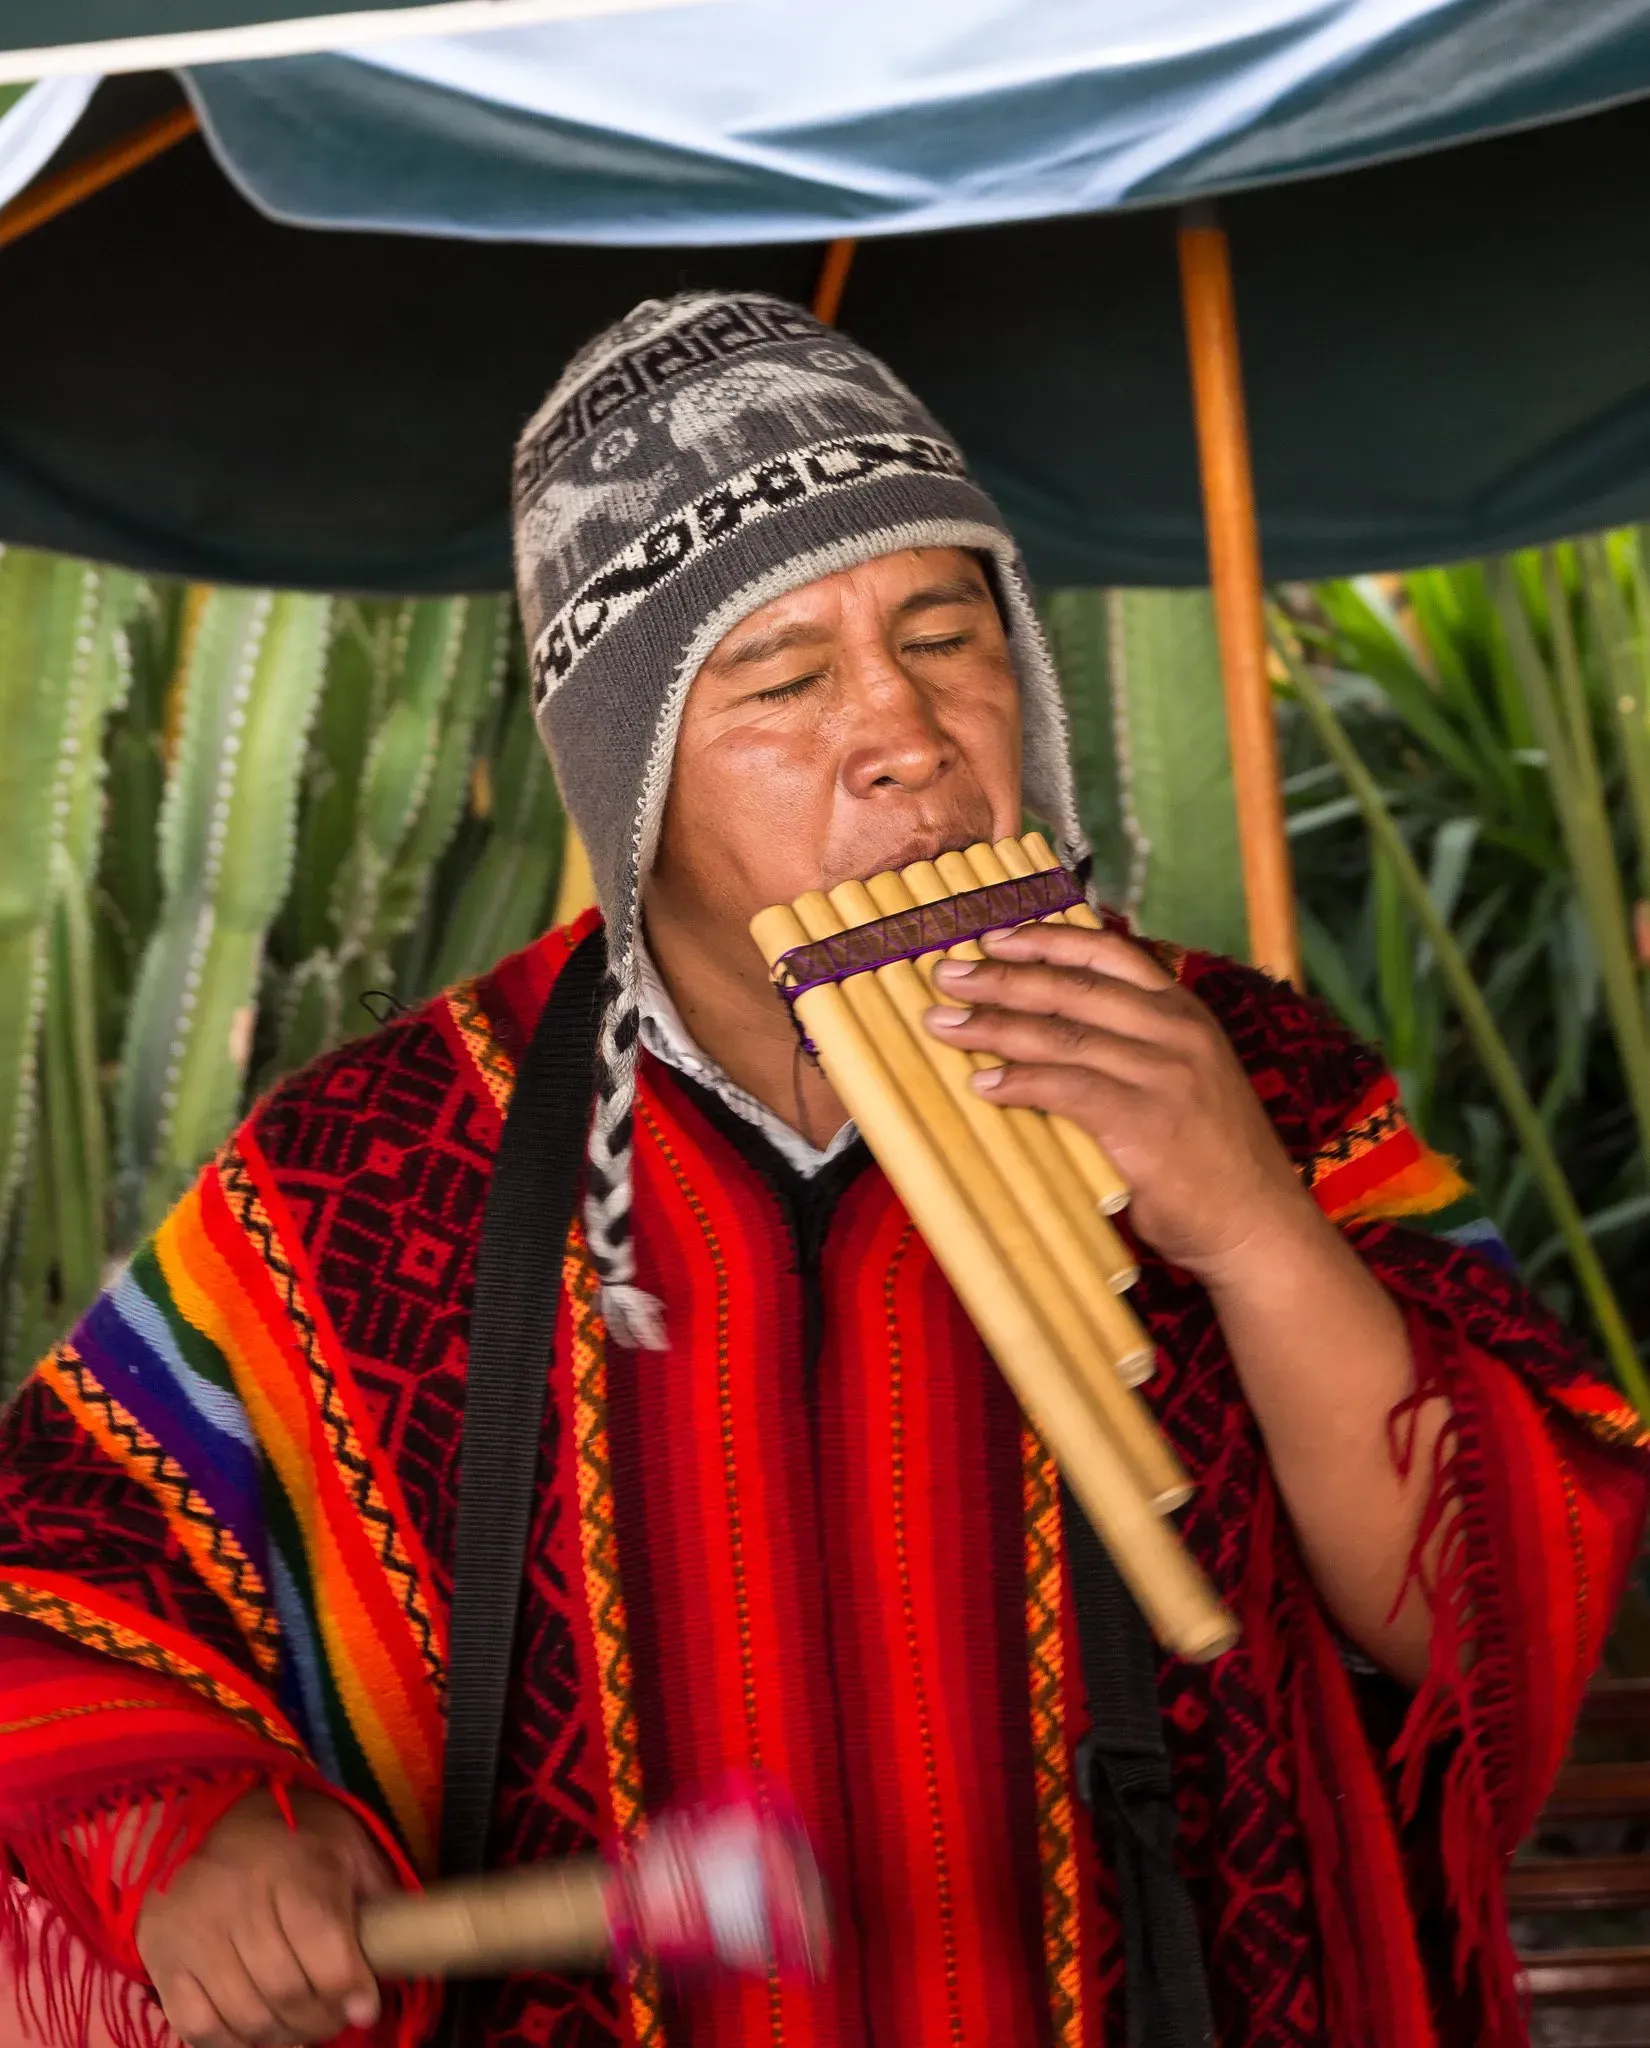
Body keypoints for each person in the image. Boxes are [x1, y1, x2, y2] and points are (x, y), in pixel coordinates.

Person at [1, 291, 1645, 2048]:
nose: (907, 734)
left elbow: (1476, 1630)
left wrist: (1250, 1230)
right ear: (626, 772)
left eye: (946, 636)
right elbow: (51, 1595)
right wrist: (199, 1841)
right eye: (785, 678)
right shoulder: (367, 1175)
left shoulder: (1257, 1070)